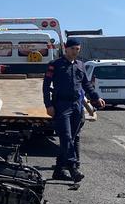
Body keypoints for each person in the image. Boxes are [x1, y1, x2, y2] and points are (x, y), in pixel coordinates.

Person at [42, 38, 105, 182]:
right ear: (66, 48)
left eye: (77, 49)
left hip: (77, 106)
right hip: (61, 105)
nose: (75, 52)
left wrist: (96, 97)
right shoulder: (55, 65)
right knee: (66, 137)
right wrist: (48, 105)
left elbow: (86, 85)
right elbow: (46, 86)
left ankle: (58, 170)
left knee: (73, 137)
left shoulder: (80, 65)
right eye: (73, 49)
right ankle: (73, 168)